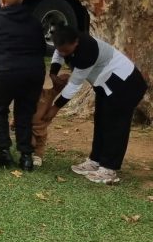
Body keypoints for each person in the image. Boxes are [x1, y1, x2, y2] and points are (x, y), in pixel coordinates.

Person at [45, 26, 149, 184]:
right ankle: (95, 161)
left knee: (116, 125)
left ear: (76, 42)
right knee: (101, 121)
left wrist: (55, 107)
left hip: (124, 84)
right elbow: (58, 53)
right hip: (105, 85)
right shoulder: (65, 41)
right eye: (61, 49)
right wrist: (53, 72)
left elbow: (74, 85)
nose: (63, 53)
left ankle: (109, 169)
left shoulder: (87, 52)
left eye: (67, 50)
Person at [0, 0, 46, 171]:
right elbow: (42, 48)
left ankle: (4, 151)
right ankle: (26, 155)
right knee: (25, 112)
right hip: (33, 73)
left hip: (6, 72)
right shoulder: (33, 21)